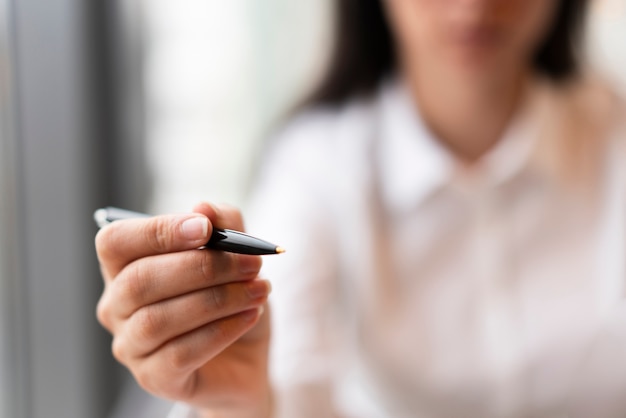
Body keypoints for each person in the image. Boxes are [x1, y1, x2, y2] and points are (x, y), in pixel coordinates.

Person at [95, 0, 626, 417]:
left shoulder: (615, 139)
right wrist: (241, 404)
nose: (473, 3)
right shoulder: (316, 167)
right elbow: (288, 385)